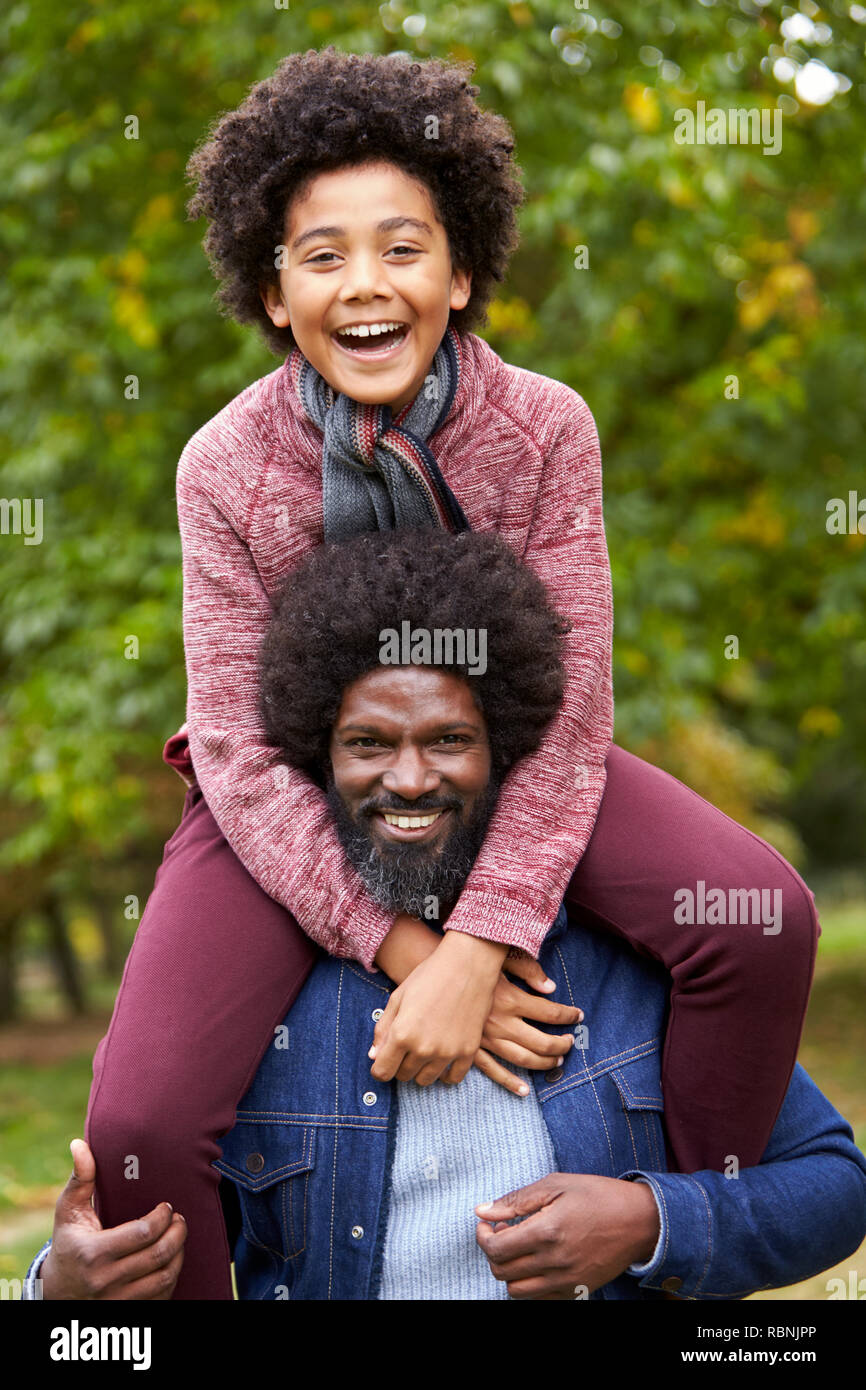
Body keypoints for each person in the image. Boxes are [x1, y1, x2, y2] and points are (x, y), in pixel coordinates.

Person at [84, 49, 820, 1300]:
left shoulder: (544, 428)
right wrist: (408, 954)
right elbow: (234, 744)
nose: (364, 285)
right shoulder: (221, 466)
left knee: (758, 922)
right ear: (271, 292)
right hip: (292, 788)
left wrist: (488, 936)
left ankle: (673, 1249)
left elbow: (574, 702)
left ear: (462, 271)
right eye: (320, 255)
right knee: (141, 1121)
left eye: (402, 247)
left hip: (518, 759)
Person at [29, 533, 865, 1301]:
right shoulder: (255, 999)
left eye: (448, 740)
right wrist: (53, 1292)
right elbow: (133, 1217)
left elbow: (835, 1183)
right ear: (317, 760)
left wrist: (649, 1222)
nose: (410, 779)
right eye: (367, 745)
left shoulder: (624, 963)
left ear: (505, 752)